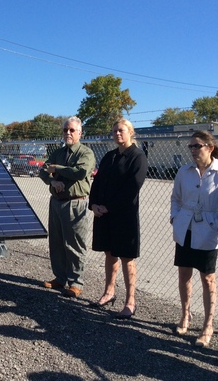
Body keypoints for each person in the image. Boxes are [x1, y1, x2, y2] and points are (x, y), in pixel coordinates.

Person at [170, 130, 218, 348]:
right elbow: (175, 198)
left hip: (207, 231)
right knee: (184, 274)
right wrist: (175, 217)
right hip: (185, 229)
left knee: (208, 278)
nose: (192, 150)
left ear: (209, 147)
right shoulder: (184, 171)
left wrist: (216, 225)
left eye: (197, 146)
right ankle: (185, 315)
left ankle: (208, 324)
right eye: (190, 146)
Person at [89, 118, 148, 319]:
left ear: (131, 132)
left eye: (121, 130)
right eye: (114, 131)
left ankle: (130, 301)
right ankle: (109, 292)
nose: (117, 134)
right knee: (109, 254)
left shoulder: (138, 157)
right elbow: (97, 182)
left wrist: (108, 207)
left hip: (124, 216)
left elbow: (132, 188)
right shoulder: (109, 156)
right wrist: (94, 204)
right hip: (104, 215)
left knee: (127, 258)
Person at [39, 116, 96, 298]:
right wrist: (52, 180)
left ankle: (75, 283)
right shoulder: (58, 152)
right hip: (56, 203)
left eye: (72, 130)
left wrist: (57, 168)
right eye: (65, 130)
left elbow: (80, 172)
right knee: (56, 242)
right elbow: (43, 170)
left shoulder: (85, 153)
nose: (68, 133)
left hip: (74, 203)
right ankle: (60, 278)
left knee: (74, 245)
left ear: (80, 133)